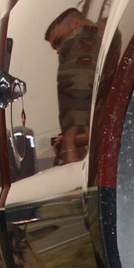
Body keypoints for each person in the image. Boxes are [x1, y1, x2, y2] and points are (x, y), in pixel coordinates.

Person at [45, 8, 103, 164]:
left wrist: (69, 145)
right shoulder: (109, 51)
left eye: (59, 40)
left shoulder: (81, 45)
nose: (59, 51)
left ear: (77, 24)